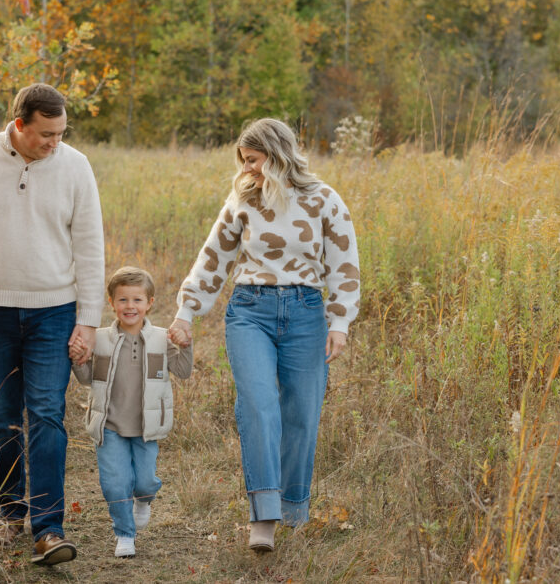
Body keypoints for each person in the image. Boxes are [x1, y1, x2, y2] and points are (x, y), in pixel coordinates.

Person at [168, 118, 360, 553]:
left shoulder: (324, 200)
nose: (248, 170)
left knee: (302, 414)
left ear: (276, 155)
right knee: (258, 406)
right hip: (250, 310)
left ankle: (293, 509)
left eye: (253, 161)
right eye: (244, 162)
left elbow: (344, 264)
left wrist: (340, 322)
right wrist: (186, 311)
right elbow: (214, 256)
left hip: (307, 313)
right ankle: (265, 517)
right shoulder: (243, 200)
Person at [0, 83, 104, 566]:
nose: (55, 143)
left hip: (55, 311)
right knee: (3, 420)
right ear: (20, 124)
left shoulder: (75, 166)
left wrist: (88, 321)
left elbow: (91, 245)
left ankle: (49, 530)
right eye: (47, 134)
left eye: (61, 133)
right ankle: (9, 515)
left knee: (48, 414)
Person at [71, 266, 193, 558]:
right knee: (115, 483)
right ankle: (124, 534)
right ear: (111, 302)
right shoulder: (99, 339)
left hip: (146, 426)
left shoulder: (161, 339)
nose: (130, 306)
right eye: (123, 300)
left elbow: (184, 371)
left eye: (137, 300)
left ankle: (144, 499)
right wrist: (78, 358)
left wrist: (185, 345)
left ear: (149, 303)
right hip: (109, 425)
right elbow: (87, 378)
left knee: (144, 481)